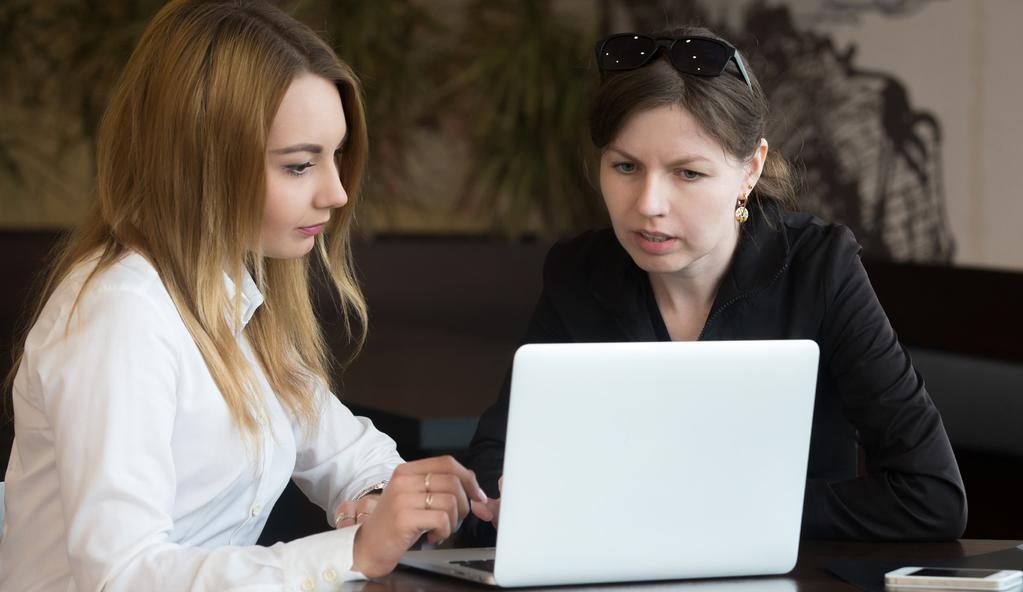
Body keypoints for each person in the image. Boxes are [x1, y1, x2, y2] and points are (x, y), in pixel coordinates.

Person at [0, 1, 492, 590]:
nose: (336, 193)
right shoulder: (122, 316)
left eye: (335, 157)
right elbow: (121, 577)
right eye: (298, 166)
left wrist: (382, 495)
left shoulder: (235, 298)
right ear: (202, 163)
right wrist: (353, 549)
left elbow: (348, 453)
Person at [464, 27, 966, 542]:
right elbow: (494, 473)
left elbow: (930, 497)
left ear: (749, 170)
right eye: (625, 166)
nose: (648, 204)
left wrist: (693, 510)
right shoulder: (580, 273)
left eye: (688, 174)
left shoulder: (820, 269)